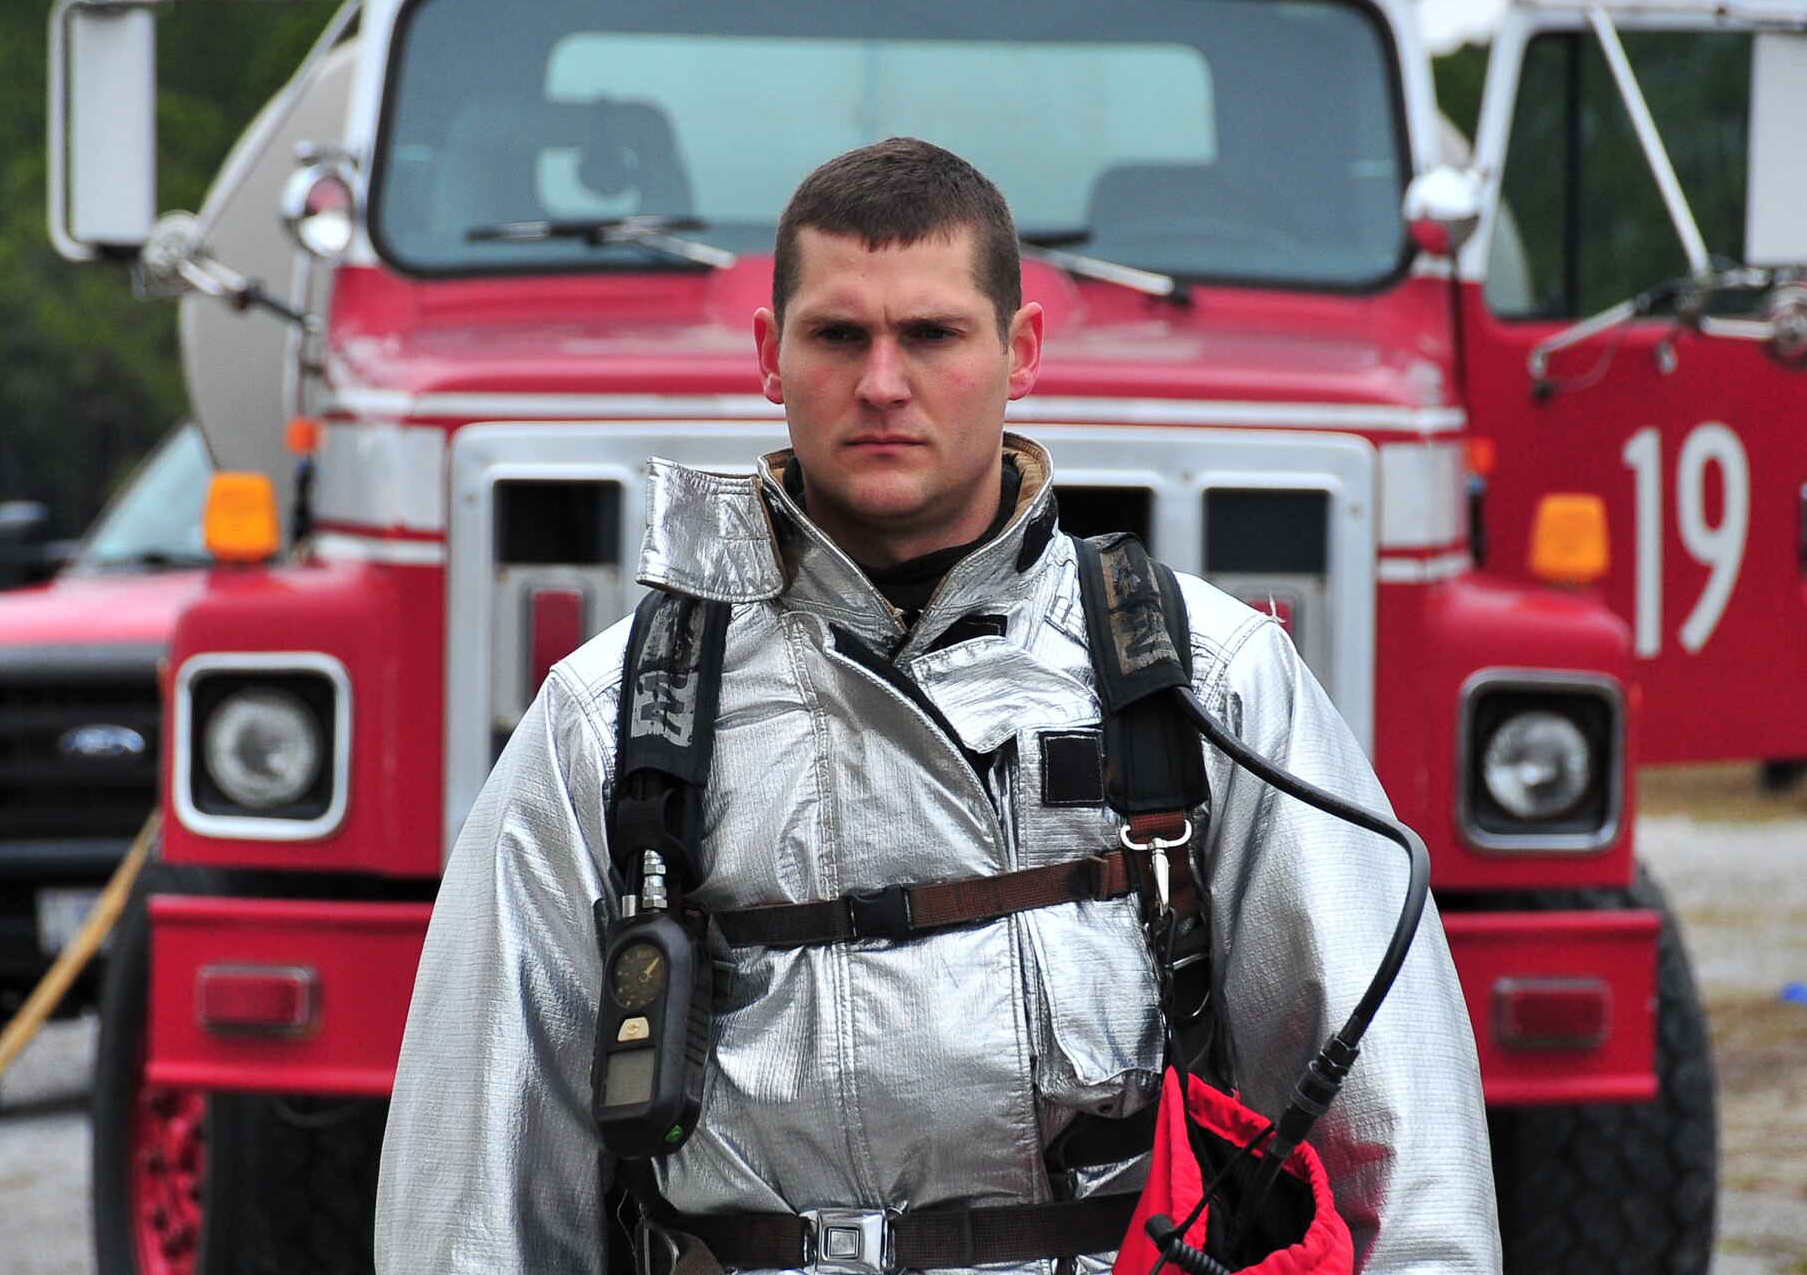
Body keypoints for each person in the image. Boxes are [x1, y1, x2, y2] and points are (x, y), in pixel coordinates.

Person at [376, 138, 1500, 1274]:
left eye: (930, 335)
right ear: (769, 356)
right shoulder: (607, 721)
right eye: (836, 336)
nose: (879, 383)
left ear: (1020, 351)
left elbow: (1403, 1162)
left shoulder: (1208, 683)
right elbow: (471, 1194)